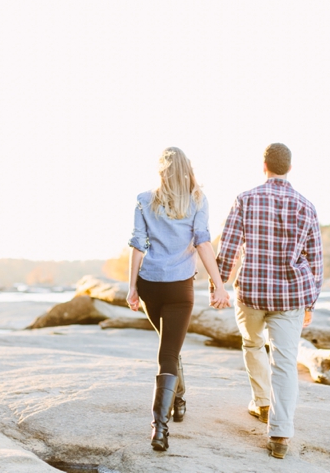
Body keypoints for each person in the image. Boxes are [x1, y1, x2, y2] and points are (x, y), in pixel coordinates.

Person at [215, 143, 323, 459]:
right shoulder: (306, 206)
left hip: (250, 293)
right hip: (290, 297)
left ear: (264, 166)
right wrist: (310, 304)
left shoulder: (245, 199)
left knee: (252, 344)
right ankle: (279, 434)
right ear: (289, 168)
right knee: (286, 362)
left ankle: (262, 401)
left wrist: (218, 284)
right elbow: (315, 261)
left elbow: (229, 246)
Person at [126, 147, 230, 452]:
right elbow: (203, 242)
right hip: (179, 289)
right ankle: (160, 427)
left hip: (150, 286)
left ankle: (178, 401)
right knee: (170, 350)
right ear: (186, 168)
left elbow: (137, 246)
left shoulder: (144, 199)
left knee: (169, 347)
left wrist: (131, 288)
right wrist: (218, 285)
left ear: (161, 171)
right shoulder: (197, 199)